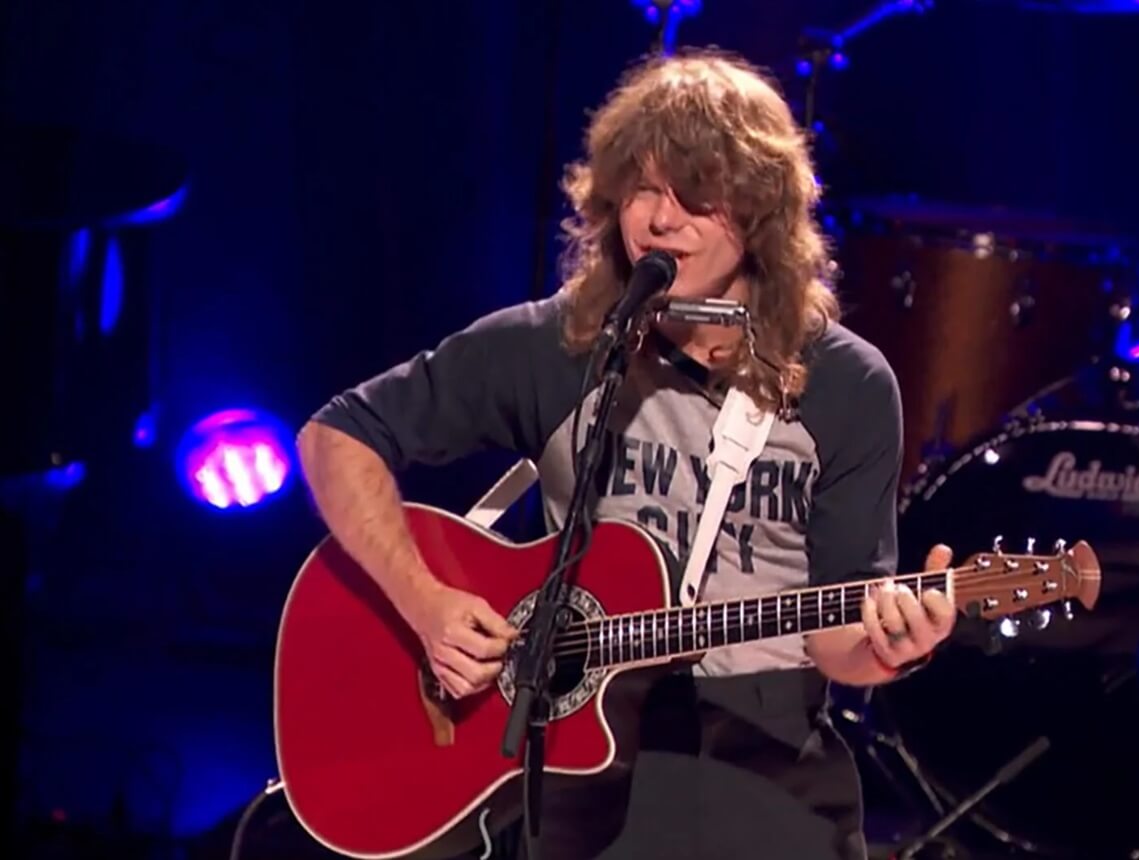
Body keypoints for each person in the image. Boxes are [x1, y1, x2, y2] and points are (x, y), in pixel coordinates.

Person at [296, 48, 957, 860]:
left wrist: (891, 646)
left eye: (696, 195)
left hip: (761, 768)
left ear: (758, 213)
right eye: (643, 189)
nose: (660, 218)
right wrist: (425, 603)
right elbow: (336, 436)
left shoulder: (846, 384)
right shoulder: (558, 345)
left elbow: (837, 640)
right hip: (571, 765)